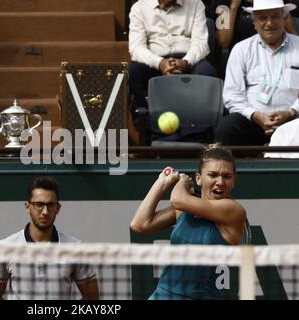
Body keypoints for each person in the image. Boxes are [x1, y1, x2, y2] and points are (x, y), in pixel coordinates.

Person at [130, 145, 249, 299]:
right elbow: (139, 224)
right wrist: (161, 183)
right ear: (199, 178)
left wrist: (181, 183)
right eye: (213, 175)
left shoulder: (234, 210)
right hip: (163, 295)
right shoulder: (184, 208)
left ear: (234, 181)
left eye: (227, 176)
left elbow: (177, 199)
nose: (220, 181)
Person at [0, 176, 100, 300]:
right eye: (39, 204)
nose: (45, 211)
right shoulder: (5, 247)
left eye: (50, 205)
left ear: (58, 208)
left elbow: (92, 298)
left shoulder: (76, 248)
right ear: (27, 207)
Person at [215, 0, 299, 146]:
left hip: (294, 122)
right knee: (227, 127)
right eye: (262, 18)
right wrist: (255, 115)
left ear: (284, 18)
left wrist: (291, 112)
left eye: (275, 17)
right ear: (254, 23)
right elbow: (232, 95)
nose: (269, 23)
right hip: (253, 123)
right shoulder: (241, 49)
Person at [128, 0, 218, 131]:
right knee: (132, 72)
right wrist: (159, 63)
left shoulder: (196, 4)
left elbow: (200, 43)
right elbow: (136, 48)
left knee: (207, 73)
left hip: (188, 58)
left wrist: (186, 62)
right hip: (155, 60)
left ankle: (200, 130)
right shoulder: (139, 7)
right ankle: (146, 125)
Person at [215, 0, 297, 51]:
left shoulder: (275, 2)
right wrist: (234, 6)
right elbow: (223, 41)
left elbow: (294, 36)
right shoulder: (223, 4)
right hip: (242, 54)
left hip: (275, 50)